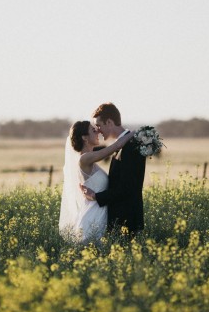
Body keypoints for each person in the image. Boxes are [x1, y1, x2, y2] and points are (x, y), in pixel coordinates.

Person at [59, 120, 134, 244]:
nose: (98, 132)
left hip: (101, 212)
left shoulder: (90, 159)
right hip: (94, 216)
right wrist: (134, 133)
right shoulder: (84, 158)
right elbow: (116, 146)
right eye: (94, 130)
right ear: (84, 137)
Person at [81, 103, 146, 235]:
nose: (98, 130)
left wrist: (96, 196)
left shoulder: (131, 145)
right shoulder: (122, 145)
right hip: (120, 222)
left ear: (109, 122)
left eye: (99, 125)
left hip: (128, 221)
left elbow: (127, 188)